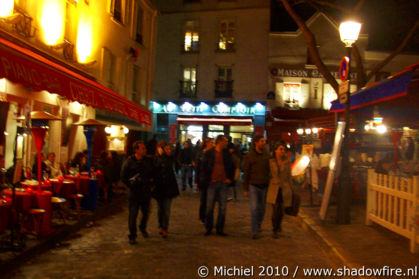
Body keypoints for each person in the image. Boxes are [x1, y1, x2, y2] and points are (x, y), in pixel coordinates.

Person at [121, 141, 155, 245]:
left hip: (145, 191)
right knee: (133, 215)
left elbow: (153, 172)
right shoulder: (129, 162)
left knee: (146, 213)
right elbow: (123, 176)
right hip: (134, 192)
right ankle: (132, 235)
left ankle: (142, 227)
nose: (145, 150)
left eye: (145, 148)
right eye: (143, 148)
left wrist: (151, 180)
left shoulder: (148, 160)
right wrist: (130, 184)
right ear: (137, 150)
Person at [201, 135, 234, 236]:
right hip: (212, 183)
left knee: (222, 207)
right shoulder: (209, 153)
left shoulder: (226, 153)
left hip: (223, 182)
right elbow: (204, 168)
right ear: (219, 142)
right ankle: (209, 227)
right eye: (225, 141)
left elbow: (231, 166)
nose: (227, 143)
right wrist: (206, 180)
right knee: (209, 206)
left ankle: (220, 228)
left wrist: (229, 178)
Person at [242, 135, 270, 239]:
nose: (264, 143)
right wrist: (245, 188)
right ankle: (254, 231)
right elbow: (246, 172)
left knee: (262, 209)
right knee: (254, 208)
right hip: (253, 185)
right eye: (262, 141)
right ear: (256, 143)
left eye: (264, 141)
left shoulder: (267, 155)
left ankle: (258, 224)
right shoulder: (250, 156)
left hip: (264, 185)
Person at [153, 141, 179, 238]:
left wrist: (163, 155)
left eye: (169, 149)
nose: (169, 150)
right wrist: (160, 155)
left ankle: (165, 228)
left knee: (167, 210)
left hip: (169, 187)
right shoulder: (156, 159)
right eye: (167, 149)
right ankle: (160, 225)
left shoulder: (169, 158)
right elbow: (156, 167)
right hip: (159, 187)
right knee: (160, 209)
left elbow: (168, 164)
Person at [266, 142, 293, 238]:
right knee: (275, 209)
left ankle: (279, 225)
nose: (282, 151)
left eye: (283, 149)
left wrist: (291, 188)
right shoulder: (271, 161)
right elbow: (267, 173)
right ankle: (275, 228)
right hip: (274, 187)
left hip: (284, 187)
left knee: (282, 210)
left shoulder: (287, 161)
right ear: (275, 150)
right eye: (280, 149)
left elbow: (289, 175)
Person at [195, 137, 214, 223]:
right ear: (207, 143)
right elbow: (198, 168)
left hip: (212, 179)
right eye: (211, 142)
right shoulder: (201, 153)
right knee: (203, 199)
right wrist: (196, 180)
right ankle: (202, 215)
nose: (212, 144)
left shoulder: (214, 153)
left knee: (210, 200)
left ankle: (208, 217)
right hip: (203, 179)